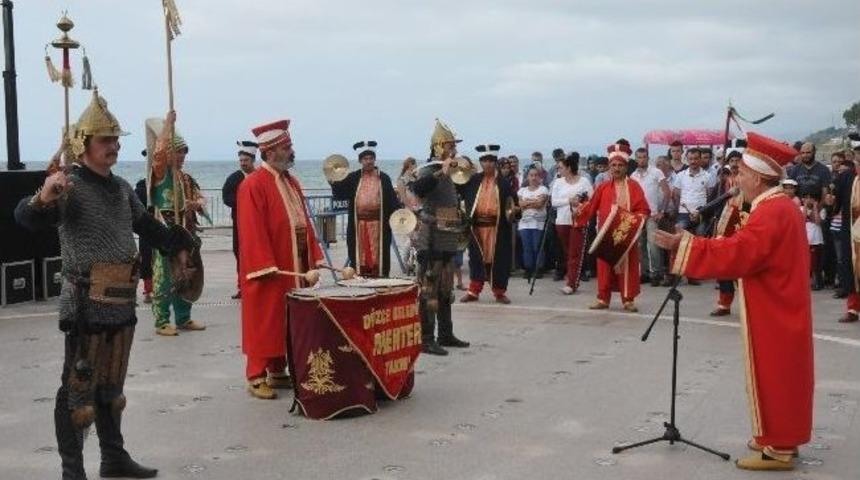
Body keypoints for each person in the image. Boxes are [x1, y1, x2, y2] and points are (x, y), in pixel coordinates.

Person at [15, 90, 196, 480]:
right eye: (105, 140)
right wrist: (43, 196)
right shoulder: (70, 186)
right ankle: (72, 471)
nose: (114, 146)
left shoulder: (121, 188)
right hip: (86, 303)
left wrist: (179, 245)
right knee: (77, 390)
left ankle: (113, 458)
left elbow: (147, 227)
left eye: (116, 140)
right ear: (84, 144)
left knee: (112, 388)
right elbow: (28, 219)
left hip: (120, 302)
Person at [656, 132, 812, 472]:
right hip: (779, 304)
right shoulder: (777, 206)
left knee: (776, 374)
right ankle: (778, 436)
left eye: (740, 173)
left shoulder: (772, 211)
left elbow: (740, 253)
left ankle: (779, 448)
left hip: (775, 309)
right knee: (780, 374)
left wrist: (687, 246)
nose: (735, 179)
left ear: (757, 177)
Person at [238, 119, 325, 399]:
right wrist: (264, 265)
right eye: (287, 147)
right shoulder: (253, 185)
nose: (291, 151)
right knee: (265, 318)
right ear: (271, 151)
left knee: (287, 319)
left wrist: (314, 255)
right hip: (271, 265)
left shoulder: (292, 181)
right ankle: (255, 375)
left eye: (290, 146)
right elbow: (252, 230)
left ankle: (277, 369)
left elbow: (304, 222)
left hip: (294, 261)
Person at [410, 119, 471, 355]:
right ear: (438, 146)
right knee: (429, 286)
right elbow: (418, 189)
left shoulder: (453, 170)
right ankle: (426, 338)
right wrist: (441, 171)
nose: (453, 148)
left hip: (448, 231)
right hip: (431, 234)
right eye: (449, 144)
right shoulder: (429, 169)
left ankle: (446, 333)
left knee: (446, 286)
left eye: (454, 145)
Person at [147, 111, 206, 336]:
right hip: (164, 231)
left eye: (184, 151)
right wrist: (168, 126)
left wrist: (196, 204)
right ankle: (161, 320)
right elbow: (158, 154)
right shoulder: (160, 173)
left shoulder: (184, 177)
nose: (182, 156)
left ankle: (183, 317)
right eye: (178, 151)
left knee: (185, 273)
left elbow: (200, 197)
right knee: (164, 276)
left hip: (184, 232)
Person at [574, 143, 650, 312]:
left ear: (626, 167)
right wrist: (579, 211)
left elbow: (643, 209)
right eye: (613, 165)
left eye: (620, 165)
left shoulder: (634, 186)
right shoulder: (602, 187)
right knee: (604, 268)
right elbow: (591, 206)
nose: (616, 168)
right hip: (606, 235)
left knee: (627, 268)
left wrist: (637, 219)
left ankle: (628, 300)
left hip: (626, 235)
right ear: (609, 167)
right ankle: (603, 299)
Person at [329, 140, 400, 277]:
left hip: (379, 225)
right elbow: (340, 193)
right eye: (365, 159)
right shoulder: (353, 177)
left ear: (374, 159)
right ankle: (360, 278)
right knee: (358, 256)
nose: (368, 161)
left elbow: (392, 201)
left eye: (371, 158)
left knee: (379, 257)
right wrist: (333, 179)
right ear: (360, 161)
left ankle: (380, 278)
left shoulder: (384, 178)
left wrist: (400, 217)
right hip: (358, 226)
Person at [460, 144, 516, 304]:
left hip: (497, 229)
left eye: (491, 160)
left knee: (498, 260)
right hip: (477, 228)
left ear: (495, 162)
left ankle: (499, 292)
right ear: (481, 162)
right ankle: (473, 291)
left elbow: (513, 204)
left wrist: (515, 210)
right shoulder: (473, 180)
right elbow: (458, 189)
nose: (488, 164)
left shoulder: (503, 183)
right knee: (476, 259)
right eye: (485, 160)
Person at [672, 147, 717, 285]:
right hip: (684, 214)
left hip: (701, 214)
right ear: (687, 159)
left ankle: (695, 274)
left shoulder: (708, 176)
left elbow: (710, 196)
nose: (693, 161)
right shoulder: (681, 176)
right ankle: (677, 274)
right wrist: (680, 209)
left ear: (700, 159)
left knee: (699, 243)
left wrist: (701, 212)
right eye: (690, 159)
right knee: (678, 239)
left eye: (696, 158)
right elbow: (676, 195)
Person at [550, 152, 593, 294]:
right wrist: (569, 200)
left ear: (569, 168)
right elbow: (554, 202)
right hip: (562, 221)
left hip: (578, 221)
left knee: (575, 252)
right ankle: (572, 276)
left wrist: (580, 203)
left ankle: (571, 282)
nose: (558, 170)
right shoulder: (558, 182)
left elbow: (591, 200)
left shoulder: (584, 181)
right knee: (568, 251)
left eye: (561, 167)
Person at [710, 150, 746, 316]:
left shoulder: (749, 181)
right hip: (725, 224)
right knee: (723, 264)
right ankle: (724, 304)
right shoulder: (723, 182)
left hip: (743, 224)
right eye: (731, 160)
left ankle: (748, 305)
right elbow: (714, 201)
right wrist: (702, 214)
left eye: (738, 160)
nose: (734, 163)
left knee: (743, 266)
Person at [630, 147, 671, 286]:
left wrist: (662, 211)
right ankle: (645, 272)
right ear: (636, 159)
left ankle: (656, 273)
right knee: (640, 245)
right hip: (638, 214)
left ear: (648, 158)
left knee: (653, 244)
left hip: (653, 214)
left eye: (644, 157)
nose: (641, 160)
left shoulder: (656, 172)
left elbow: (667, 192)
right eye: (639, 157)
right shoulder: (633, 176)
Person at [222, 140, 258, 299]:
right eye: (241, 160)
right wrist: (243, 201)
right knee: (240, 253)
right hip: (240, 222)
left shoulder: (259, 177)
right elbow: (226, 197)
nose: (243, 163)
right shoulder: (234, 178)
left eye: (246, 160)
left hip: (258, 224)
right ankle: (242, 286)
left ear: (253, 160)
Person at [518, 166, 549, 280]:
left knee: (537, 247)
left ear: (540, 177)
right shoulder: (522, 191)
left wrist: (527, 202)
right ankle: (528, 269)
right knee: (527, 247)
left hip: (538, 223)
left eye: (536, 175)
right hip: (524, 223)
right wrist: (533, 201)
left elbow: (540, 204)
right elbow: (521, 205)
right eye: (531, 175)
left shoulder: (543, 189)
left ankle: (538, 268)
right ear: (527, 177)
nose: (534, 177)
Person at [134, 178, 153, 304]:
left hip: (144, 232)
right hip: (150, 229)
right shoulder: (147, 190)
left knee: (146, 261)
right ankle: (150, 291)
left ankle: (148, 292)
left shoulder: (138, 190)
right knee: (151, 261)